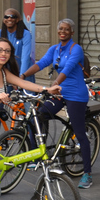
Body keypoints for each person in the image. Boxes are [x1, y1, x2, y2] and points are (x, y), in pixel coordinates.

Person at [20, 19, 93, 188]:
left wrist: (54, 84)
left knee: (79, 132)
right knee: (39, 115)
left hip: (75, 94)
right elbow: (40, 64)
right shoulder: (54, 49)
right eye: (61, 29)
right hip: (59, 93)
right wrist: (22, 77)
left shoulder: (76, 49)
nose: (63, 31)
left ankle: (87, 174)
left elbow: (67, 69)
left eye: (67, 29)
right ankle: (39, 154)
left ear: (72, 32)